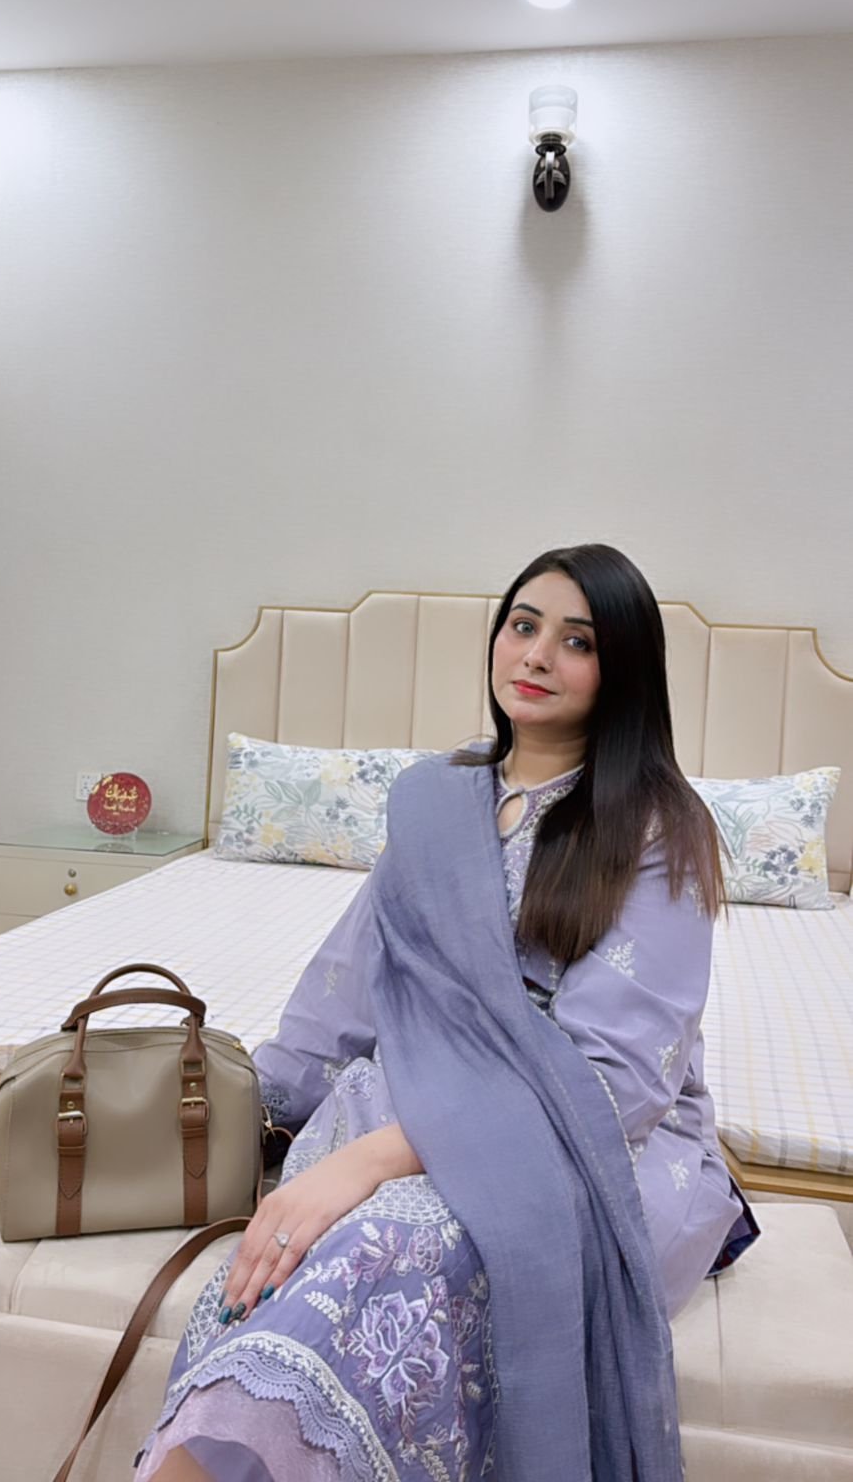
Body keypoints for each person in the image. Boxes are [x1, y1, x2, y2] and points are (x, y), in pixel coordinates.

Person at [137, 544, 758, 1482]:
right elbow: (342, 992)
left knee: (391, 1241)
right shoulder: (436, 802)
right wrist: (241, 1110)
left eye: (578, 641)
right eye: (523, 625)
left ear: (623, 668)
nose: (536, 655)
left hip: (587, 1148)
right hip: (405, 1102)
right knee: (287, 1254)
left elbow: (618, 1083)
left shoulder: (656, 828)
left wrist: (363, 1163)